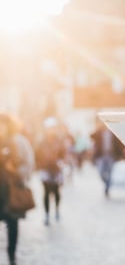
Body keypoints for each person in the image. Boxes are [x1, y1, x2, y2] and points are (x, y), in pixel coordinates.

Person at [0, 113, 35, 265]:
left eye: (3, 124)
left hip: (11, 189)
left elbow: (28, 163)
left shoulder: (18, 142)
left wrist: (16, 171)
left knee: (12, 223)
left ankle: (11, 255)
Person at [35, 117, 66, 226]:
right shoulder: (41, 141)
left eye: (52, 128)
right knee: (46, 192)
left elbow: (63, 153)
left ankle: (57, 209)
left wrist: (60, 162)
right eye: (49, 128)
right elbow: (37, 154)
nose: (51, 130)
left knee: (56, 191)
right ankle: (47, 214)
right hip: (45, 169)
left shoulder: (59, 140)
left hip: (56, 169)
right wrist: (39, 165)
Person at [91, 119, 125, 197]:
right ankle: (106, 183)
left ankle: (107, 188)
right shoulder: (99, 132)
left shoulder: (113, 133)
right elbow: (91, 135)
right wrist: (97, 128)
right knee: (100, 172)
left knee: (110, 172)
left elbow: (119, 143)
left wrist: (122, 153)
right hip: (101, 155)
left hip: (111, 155)